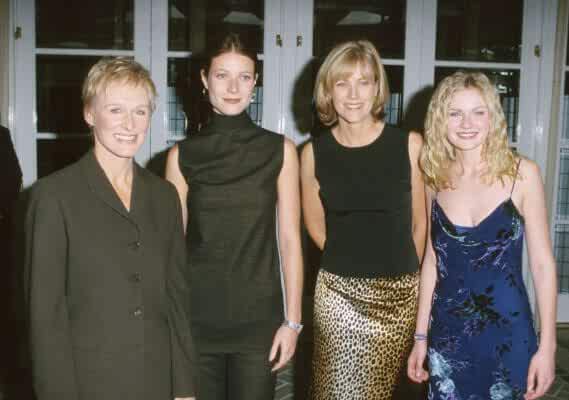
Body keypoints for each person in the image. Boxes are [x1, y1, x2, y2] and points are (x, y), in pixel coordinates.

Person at [25, 57, 196, 400]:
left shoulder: (165, 196)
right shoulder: (53, 196)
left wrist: (184, 387)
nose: (129, 124)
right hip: (87, 383)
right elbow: (45, 319)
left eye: (140, 111)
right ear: (89, 113)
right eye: (116, 110)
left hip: (156, 379)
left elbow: (177, 298)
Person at [165, 33, 303, 400]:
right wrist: (172, 325)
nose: (232, 87)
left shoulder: (280, 151)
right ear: (204, 79)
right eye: (222, 75)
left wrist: (293, 322)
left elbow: (290, 240)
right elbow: (172, 250)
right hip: (197, 319)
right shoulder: (181, 157)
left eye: (244, 77)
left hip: (258, 322)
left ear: (255, 83)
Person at [407, 71, 557, 400]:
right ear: (440, 119)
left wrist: (548, 346)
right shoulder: (434, 178)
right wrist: (420, 337)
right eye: (455, 113)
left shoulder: (523, 174)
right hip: (448, 336)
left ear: (493, 118)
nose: (467, 123)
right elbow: (431, 261)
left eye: (478, 112)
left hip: (509, 334)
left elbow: (543, 266)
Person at [300, 40, 427, 399]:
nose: (353, 94)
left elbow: (421, 224)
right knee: (333, 391)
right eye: (342, 83)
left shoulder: (410, 145)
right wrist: (351, 260)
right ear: (328, 91)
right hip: (339, 294)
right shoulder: (313, 153)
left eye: (364, 82)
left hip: (400, 294)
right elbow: (315, 224)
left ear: (377, 88)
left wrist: (406, 277)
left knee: (391, 391)